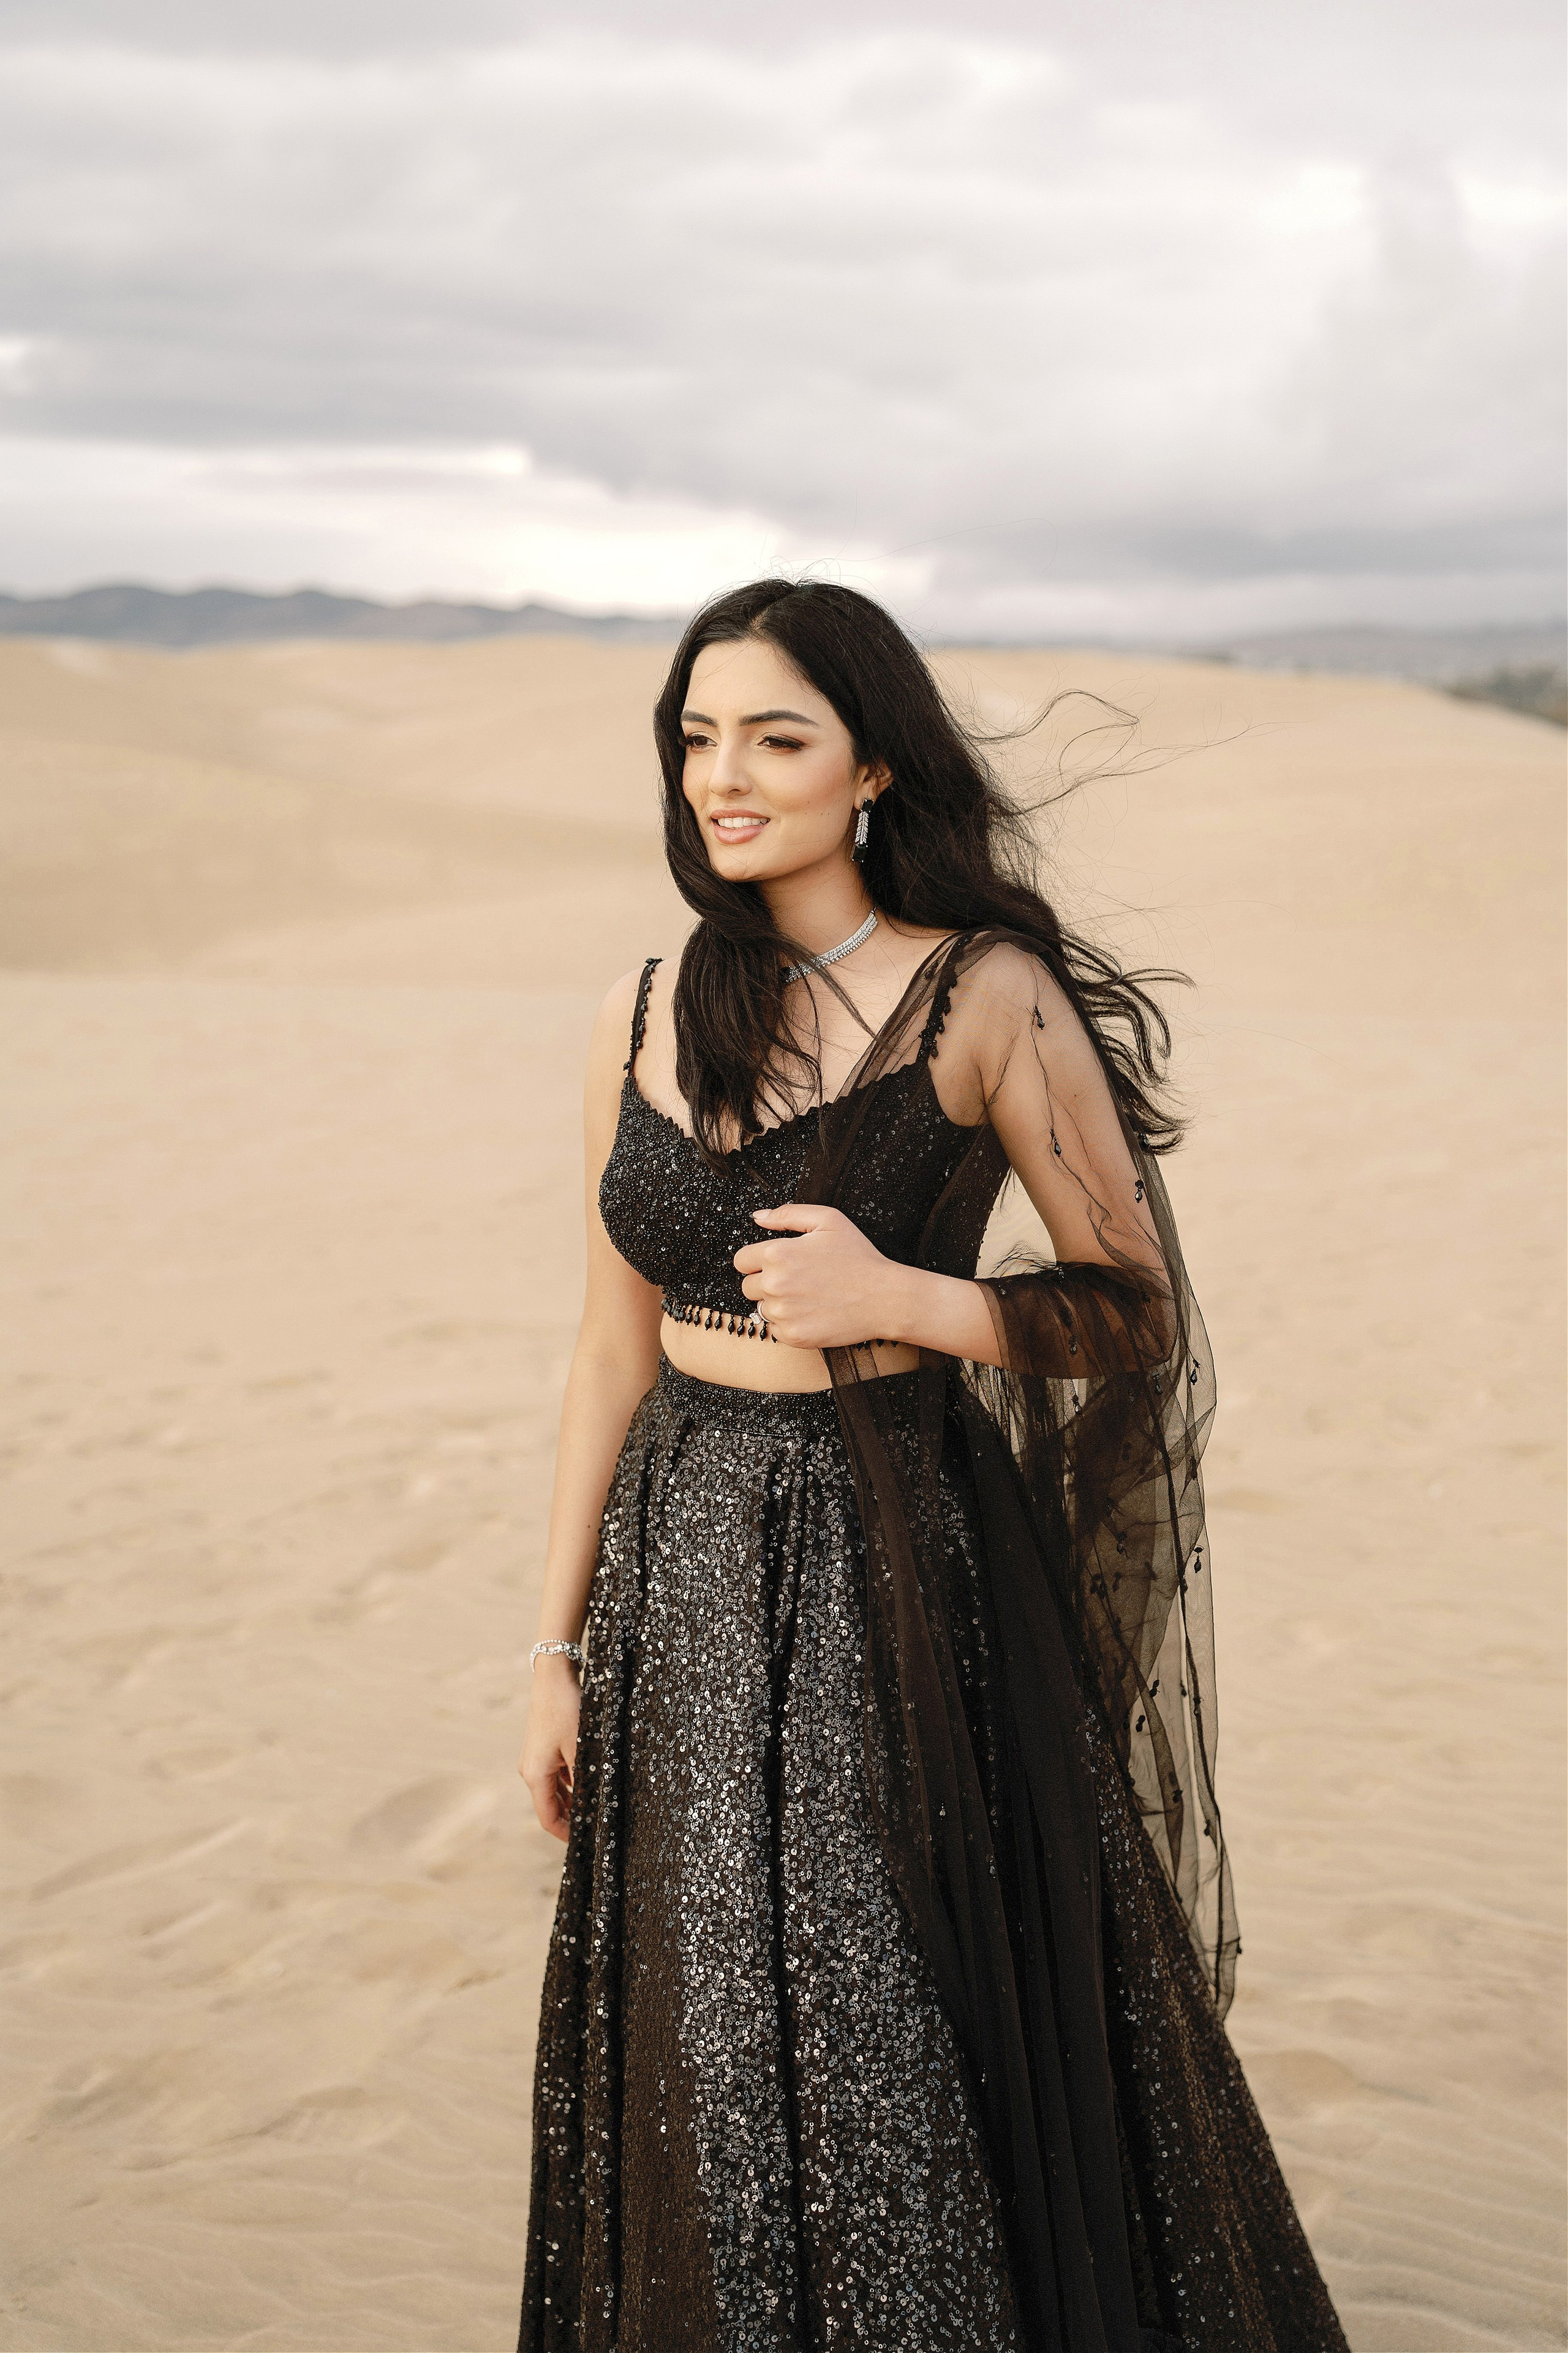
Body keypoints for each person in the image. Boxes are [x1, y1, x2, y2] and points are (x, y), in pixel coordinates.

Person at [516, 578, 1348, 2353]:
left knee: (872, 2023)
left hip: (886, 1549)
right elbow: (602, 1346)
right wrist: (553, 1643)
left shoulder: (985, 999)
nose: (721, 776)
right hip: (681, 1554)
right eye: (695, 738)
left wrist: (908, 1293)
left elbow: (1133, 1313)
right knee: (710, 2032)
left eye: (773, 737)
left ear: (873, 763)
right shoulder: (644, 1003)